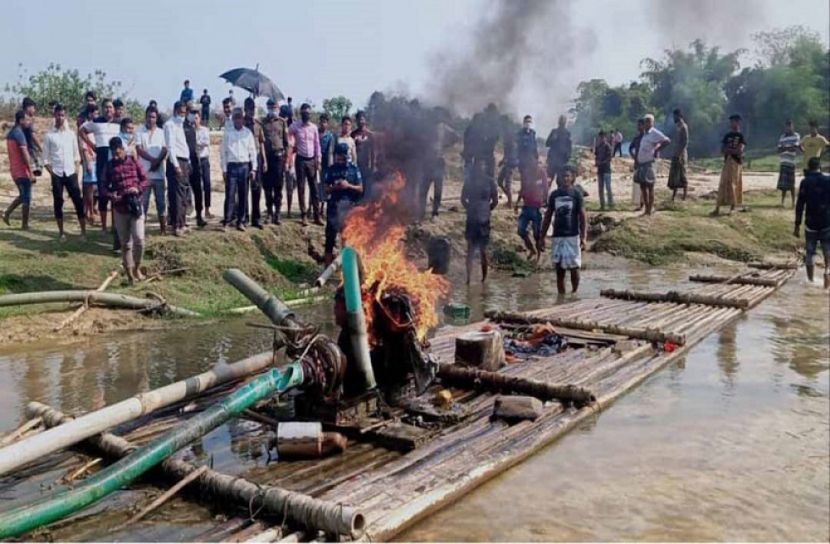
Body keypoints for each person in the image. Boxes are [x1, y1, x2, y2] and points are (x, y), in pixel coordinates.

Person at [103, 137, 149, 284]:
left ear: (123, 150)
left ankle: (137, 268)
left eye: (118, 153)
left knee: (139, 239)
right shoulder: (109, 166)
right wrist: (111, 195)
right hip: (120, 208)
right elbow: (103, 186)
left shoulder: (134, 162)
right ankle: (129, 275)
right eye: (113, 154)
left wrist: (137, 188)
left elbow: (145, 180)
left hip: (135, 206)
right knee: (125, 244)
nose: (116, 156)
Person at [538, 166, 587, 294]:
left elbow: (582, 217)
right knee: (559, 269)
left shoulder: (576, 194)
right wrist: (542, 237)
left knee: (574, 267)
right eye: (563, 176)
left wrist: (584, 237)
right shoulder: (554, 195)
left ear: (572, 177)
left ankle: (574, 294)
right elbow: (548, 216)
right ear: (559, 178)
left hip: (572, 236)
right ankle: (561, 296)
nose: (565, 179)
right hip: (558, 236)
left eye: (568, 176)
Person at [43, 104, 85, 239]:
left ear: (65, 116)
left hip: (71, 172)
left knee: (78, 201)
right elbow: (45, 159)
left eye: (62, 115)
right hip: (57, 173)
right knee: (58, 202)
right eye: (58, 115)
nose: (60, 118)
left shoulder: (71, 134)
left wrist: (76, 170)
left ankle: (83, 232)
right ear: (54, 115)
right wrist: (53, 173)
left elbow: (76, 155)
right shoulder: (49, 136)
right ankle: (61, 232)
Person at [80, 98, 120, 230]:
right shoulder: (96, 122)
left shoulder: (118, 123)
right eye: (106, 107)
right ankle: (103, 227)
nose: (108, 109)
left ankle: (115, 226)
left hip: (115, 163)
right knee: (103, 195)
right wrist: (92, 145)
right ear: (102, 109)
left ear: (114, 109)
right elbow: (81, 131)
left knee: (116, 195)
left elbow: (129, 135)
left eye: (110, 107)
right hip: (102, 163)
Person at [323, 142, 364, 266]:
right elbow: (326, 189)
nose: (341, 160)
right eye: (339, 157)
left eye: (344, 157)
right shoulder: (331, 170)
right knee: (330, 237)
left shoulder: (354, 169)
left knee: (347, 237)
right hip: (334, 207)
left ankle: (348, 267)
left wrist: (348, 185)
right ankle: (327, 266)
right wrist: (336, 187)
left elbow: (360, 188)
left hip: (349, 207)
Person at [461, 159, 499, 285]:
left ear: (485, 167)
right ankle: (469, 278)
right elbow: (463, 199)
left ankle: (483, 279)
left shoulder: (490, 181)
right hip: (473, 218)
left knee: (482, 250)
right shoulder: (469, 181)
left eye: (482, 166)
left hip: (483, 219)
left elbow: (495, 201)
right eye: (478, 166)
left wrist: (486, 210)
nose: (480, 168)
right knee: (471, 249)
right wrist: (472, 209)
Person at [794, 157, 830, 287]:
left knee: (810, 251)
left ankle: (810, 281)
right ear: (820, 167)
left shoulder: (805, 182)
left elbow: (800, 204)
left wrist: (797, 224)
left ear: (809, 168)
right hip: (826, 220)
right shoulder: (828, 180)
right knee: (827, 249)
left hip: (811, 222)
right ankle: (827, 271)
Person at [220, 108, 258, 231]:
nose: (238, 120)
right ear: (233, 119)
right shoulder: (228, 133)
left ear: (243, 119)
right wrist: (224, 169)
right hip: (231, 167)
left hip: (244, 166)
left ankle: (241, 221)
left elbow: (253, 151)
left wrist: (254, 169)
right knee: (230, 195)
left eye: (240, 118)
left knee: (243, 195)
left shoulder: (247, 133)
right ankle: (227, 221)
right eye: (236, 118)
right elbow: (223, 152)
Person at [136, 107, 168, 234]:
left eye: (153, 117)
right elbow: (139, 149)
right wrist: (152, 160)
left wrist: (157, 161)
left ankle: (163, 230)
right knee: (143, 203)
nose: (151, 119)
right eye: (149, 116)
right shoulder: (140, 131)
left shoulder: (162, 132)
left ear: (156, 118)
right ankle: (141, 231)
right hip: (144, 174)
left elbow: (165, 149)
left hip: (159, 174)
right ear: (146, 117)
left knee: (161, 203)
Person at [290, 103, 322, 226]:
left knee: (314, 188)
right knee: (301, 188)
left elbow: (317, 144)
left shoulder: (313, 128)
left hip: (312, 160)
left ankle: (317, 216)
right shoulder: (295, 126)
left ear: (310, 114)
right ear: (301, 113)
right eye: (304, 113)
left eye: (308, 113)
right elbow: (288, 135)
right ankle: (303, 215)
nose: (306, 115)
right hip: (300, 160)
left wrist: (318, 160)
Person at [3, 110, 35, 229]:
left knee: (23, 195)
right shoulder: (19, 134)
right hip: (22, 170)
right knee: (26, 197)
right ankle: (24, 224)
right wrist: (31, 172)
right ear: (21, 120)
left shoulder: (11, 133)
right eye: (27, 120)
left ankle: (7, 213)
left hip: (14, 170)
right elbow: (25, 154)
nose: (29, 122)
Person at [164, 101, 192, 236]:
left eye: (184, 113)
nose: (183, 115)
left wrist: (188, 162)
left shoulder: (181, 125)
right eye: (181, 112)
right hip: (176, 162)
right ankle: (177, 225)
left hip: (184, 161)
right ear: (175, 111)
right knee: (176, 195)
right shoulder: (169, 125)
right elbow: (170, 147)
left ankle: (182, 222)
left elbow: (183, 145)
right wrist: (176, 165)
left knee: (183, 193)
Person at [635, 113, 671, 216]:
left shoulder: (654, 133)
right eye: (645, 121)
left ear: (652, 123)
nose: (646, 123)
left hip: (649, 163)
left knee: (650, 186)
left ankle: (649, 210)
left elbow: (667, 140)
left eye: (648, 121)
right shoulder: (644, 134)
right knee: (642, 187)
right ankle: (646, 209)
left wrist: (657, 150)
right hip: (641, 163)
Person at [423, 120, 459, 219]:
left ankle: (435, 212)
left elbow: (456, 136)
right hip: (428, 161)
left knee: (437, 189)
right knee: (424, 188)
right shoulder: (426, 126)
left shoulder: (443, 127)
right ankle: (421, 211)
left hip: (438, 161)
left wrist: (446, 145)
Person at [262, 98, 290, 224]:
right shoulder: (263, 122)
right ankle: (269, 213)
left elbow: (286, 143)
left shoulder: (282, 122)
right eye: (270, 107)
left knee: (278, 187)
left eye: (275, 108)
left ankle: (277, 214)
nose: (272, 110)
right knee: (267, 187)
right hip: (267, 158)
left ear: (278, 109)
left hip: (279, 158)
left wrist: (286, 160)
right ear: (267, 108)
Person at [713, 114, 747, 216]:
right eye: (731, 122)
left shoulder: (740, 136)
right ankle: (717, 208)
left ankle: (732, 207)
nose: (732, 123)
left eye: (734, 121)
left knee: (733, 184)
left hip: (736, 162)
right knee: (723, 183)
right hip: (727, 161)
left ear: (738, 122)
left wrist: (729, 150)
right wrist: (731, 150)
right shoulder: (727, 136)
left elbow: (739, 150)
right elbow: (722, 149)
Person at [514, 159, 547, 262]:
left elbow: (546, 188)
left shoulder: (541, 172)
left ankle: (538, 256)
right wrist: (517, 202)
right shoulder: (526, 173)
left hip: (537, 207)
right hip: (526, 206)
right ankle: (532, 249)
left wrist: (545, 202)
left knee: (537, 233)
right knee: (521, 230)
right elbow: (522, 188)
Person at [243, 97, 268, 229]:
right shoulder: (241, 124)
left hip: (257, 157)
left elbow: (261, 143)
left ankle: (256, 218)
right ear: (245, 109)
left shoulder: (258, 124)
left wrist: (264, 160)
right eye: (249, 109)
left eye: (253, 109)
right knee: (244, 189)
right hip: (244, 158)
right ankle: (244, 217)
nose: (251, 111)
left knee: (257, 188)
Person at [184, 104, 205, 227]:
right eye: (192, 112)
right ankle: (182, 218)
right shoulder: (182, 126)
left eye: (196, 112)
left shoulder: (193, 127)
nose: (194, 114)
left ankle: (199, 216)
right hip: (185, 162)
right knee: (184, 191)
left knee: (198, 190)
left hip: (195, 162)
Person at [79, 104, 98, 224]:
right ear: (90, 114)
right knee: (89, 188)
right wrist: (88, 162)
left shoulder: (97, 126)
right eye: (94, 113)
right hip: (89, 159)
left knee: (94, 188)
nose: (96, 115)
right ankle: (89, 212)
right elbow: (84, 147)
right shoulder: (85, 127)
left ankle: (89, 211)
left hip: (97, 158)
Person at [777, 120, 801, 208]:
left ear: (792, 126)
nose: (788, 128)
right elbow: (779, 149)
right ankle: (782, 202)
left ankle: (793, 202)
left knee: (791, 183)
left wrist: (785, 148)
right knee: (783, 184)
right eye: (787, 126)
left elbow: (794, 148)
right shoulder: (782, 136)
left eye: (790, 126)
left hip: (791, 162)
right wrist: (788, 147)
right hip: (783, 161)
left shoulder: (796, 135)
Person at [516, 114, 539, 208]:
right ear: (523, 123)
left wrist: (536, 158)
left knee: (531, 181)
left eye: (529, 122)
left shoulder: (533, 133)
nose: (528, 123)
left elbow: (535, 147)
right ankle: (522, 199)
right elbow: (518, 148)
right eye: (526, 122)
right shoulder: (520, 134)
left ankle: (528, 198)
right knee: (524, 181)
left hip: (531, 161)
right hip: (523, 162)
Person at [668, 108, 689, 202]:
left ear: (679, 116)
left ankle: (684, 196)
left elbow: (685, 142)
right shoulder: (677, 127)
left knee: (682, 174)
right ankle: (674, 196)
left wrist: (679, 153)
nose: (674, 118)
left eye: (675, 116)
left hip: (681, 154)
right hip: (675, 153)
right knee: (674, 175)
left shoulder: (684, 127)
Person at [194, 111, 212, 220]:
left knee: (207, 184)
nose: (195, 120)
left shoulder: (204, 130)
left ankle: (207, 209)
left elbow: (206, 142)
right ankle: (198, 211)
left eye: (196, 118)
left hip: (204, 159)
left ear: (200, 119)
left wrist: (196, 143)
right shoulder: (190, 130)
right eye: (193, 118)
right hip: (195, 160)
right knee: (197, 187)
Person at [545, 115, 572, 187]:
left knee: (561, 182)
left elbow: (569, 147)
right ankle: (545, 194)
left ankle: (559, 194)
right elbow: (547, 144)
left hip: (562, 161)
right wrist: (552, 139)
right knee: (548, 181)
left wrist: (568, 157)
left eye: (563, 121)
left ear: (565, 122)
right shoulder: (554, 132)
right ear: (558, 122)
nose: (562, 122)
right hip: (552, 161)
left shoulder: (567, 133)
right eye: (561, 120)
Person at [351, 111, 375, 188]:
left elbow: (373, 152)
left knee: (366, 185)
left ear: (365, 120)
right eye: (358, 119)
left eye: (362, 119)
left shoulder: (370, 135)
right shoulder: (353, 134)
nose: (360, 121)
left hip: (367, 165)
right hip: (356, 165)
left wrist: (372, 166)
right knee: (357, 185)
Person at [497, 117, 517, 207]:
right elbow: (507, 153)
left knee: (507, 184)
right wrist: (503, 161)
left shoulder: (509, 137)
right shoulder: (508, 135)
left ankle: (509, 202)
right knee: (500, 181)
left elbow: (511, 152)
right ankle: (509, 199)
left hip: (511, 163)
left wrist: (504, 160)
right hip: (508, 163)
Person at [318, 112, 334, 217]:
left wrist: (330, 165)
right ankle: (312, 207)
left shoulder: (330, 136)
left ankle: (322, 209)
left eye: (325, 122)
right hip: (316, 162)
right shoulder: (316, 133)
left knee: (325, 186)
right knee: (316, 185)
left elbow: (330, 151)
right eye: (321, 122)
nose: (323, 124)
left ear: (327, 124)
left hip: (326, 164)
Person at [628, 118, 645, 210]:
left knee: (646, 184)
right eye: (638, 125)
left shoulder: (647, 137)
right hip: (638, 163)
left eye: (640, 125)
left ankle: (644, 203)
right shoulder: (637, 138)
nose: (638, 127)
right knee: (639, 184)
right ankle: (640, 203)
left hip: (646, 163)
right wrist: (634, 156)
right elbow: (630, 148)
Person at [594, 130, 614, 210]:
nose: (601, 139)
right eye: (600, 137)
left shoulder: (607, 146)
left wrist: (601, 162)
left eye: (603, 137)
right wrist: (596, 162)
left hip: (606, 169)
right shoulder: (598, 147)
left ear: (605, 137)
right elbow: (596, 156)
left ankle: (610, 204)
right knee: (600, 188)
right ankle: (602, 205)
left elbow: (609, 158)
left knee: (608, 187)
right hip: (600, 170)